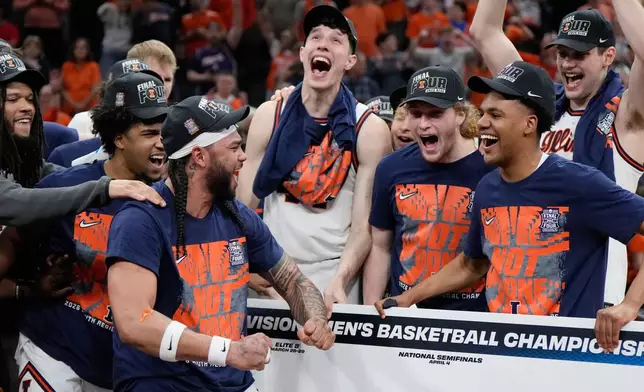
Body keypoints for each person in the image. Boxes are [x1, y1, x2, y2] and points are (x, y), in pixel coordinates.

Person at [375, 61, 644, 353]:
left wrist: (630, 304)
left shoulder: (578, 183)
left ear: (529, 124)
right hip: (501, 356)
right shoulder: (488, 187)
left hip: (565, 360)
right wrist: (408, 298)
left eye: (495, 114)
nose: (482, 123)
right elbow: (472, 263)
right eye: (484, 112)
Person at [105, 96, 335, 391]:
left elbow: (293, 281)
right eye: (235, 147)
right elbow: (134, 323)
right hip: (163, 382)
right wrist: (228, 351)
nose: (243, 157)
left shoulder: (238, 217)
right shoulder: (140, 220)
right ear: (200, 157)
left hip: (231, 382)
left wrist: (314, 318)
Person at [468, 0, 644, 308]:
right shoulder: (537, 106)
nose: (567, 64)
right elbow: (484, 31)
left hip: (590, 302)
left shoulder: (626, 115)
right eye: (562, 54)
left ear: (608, 57)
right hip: (520, 296)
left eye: (579, 55)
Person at [3, 70, 169, 392]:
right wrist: (27, 288)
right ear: (119, 139)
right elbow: (13, 239)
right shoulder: (66, 185)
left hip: (121, 367)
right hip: (53, 350)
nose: (160, 142)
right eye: (149, 133)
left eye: (163, 133)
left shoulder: (174, 201)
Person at [238, 5, 391, 308]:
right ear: (302, 52)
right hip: (273, 272)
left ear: (350, 61)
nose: (323, 43)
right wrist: (248, 267)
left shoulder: (368, 129)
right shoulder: (271, 114)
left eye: (336, 40)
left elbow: (363, 227)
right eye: (316, 37)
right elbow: (243, 207)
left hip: (334, 273)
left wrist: (341, 279)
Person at [363, 66, 491, 311]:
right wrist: (371, 311)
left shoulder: (489, 168)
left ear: (460, 115)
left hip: (472, 318)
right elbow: (380, 246)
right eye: (415, 113)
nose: (422, 124)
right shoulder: (391, 168)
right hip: (405, 315)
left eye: (434, 114)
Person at [0, 52, 165, 228]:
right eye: (13, 99)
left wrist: (106, 176)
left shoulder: (20, 157)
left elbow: (59, 176)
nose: (27, 107)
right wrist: (105, 188)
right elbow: (15, 203)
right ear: (119, 139)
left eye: (30, 99)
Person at [70, 40, 177, 166]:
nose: (162, 86)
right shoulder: (83, 121)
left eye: (168, 79)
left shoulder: (177, 125)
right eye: (154, 77)